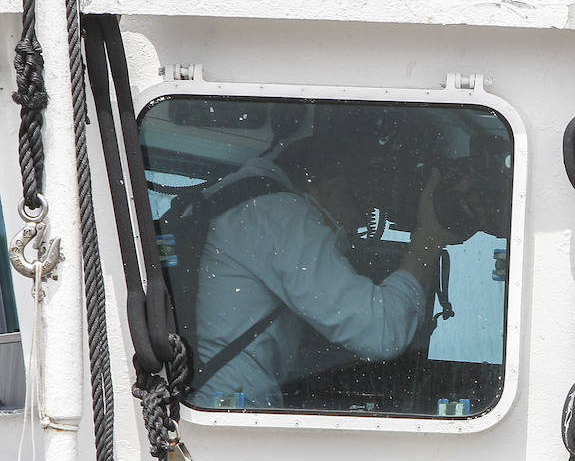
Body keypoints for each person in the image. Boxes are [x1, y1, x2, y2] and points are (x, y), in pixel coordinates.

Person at [192, 123, 453, 409]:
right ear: (331, 190)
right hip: (232, 410)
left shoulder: (241, 199)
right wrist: (429, 237)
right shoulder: (281, 215)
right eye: (358, 214)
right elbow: (380, 332)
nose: (353, 230)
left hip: (220, 402)